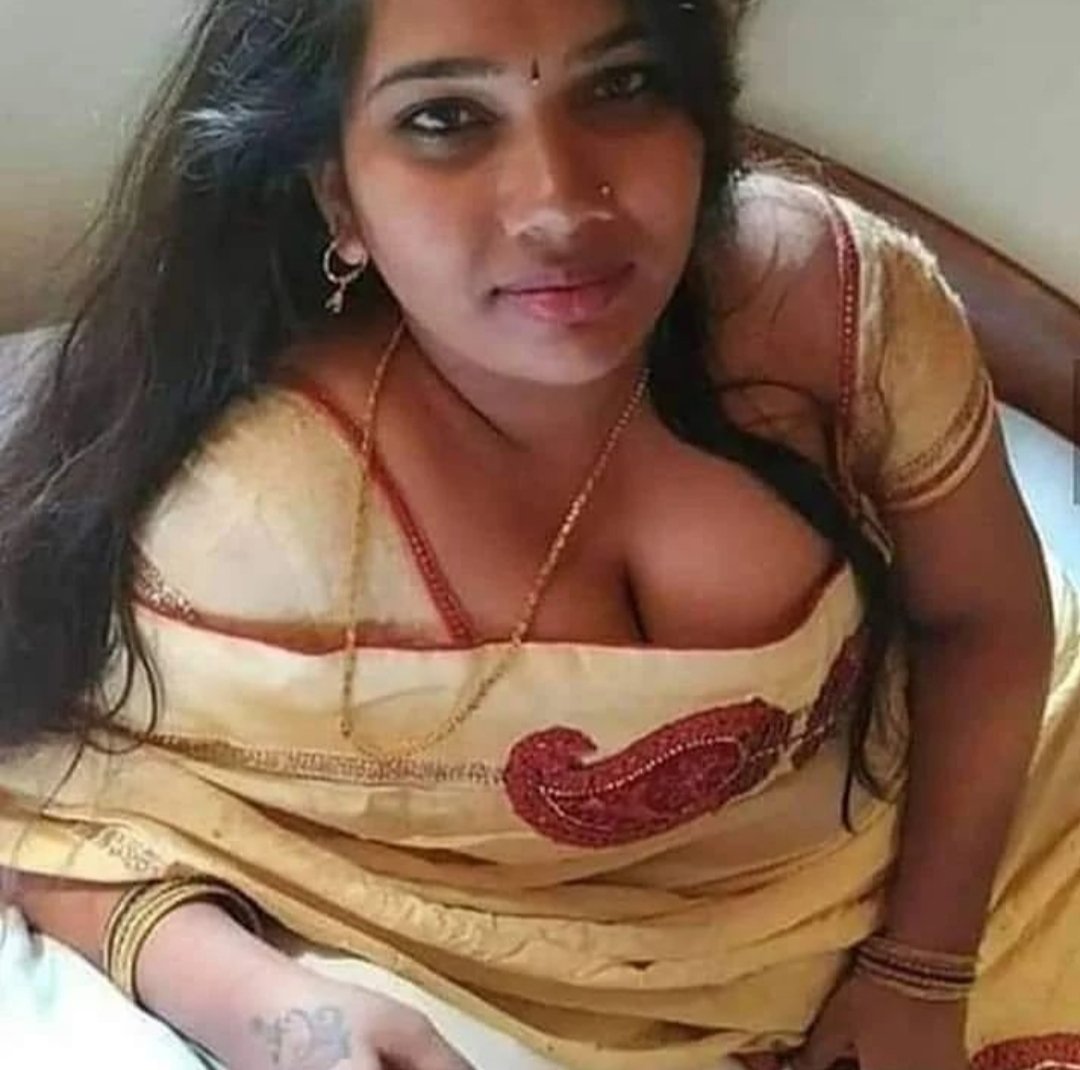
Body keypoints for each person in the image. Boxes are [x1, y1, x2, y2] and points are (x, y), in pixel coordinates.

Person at [0, 0, 1078, 1068]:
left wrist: (920, 970)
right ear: (339, 194)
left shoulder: (837, 310)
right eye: (445, 119)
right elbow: (46, 807)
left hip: (961, 862)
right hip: (513, 983)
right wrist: (267, 1009)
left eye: (621, 86)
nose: (559, 203)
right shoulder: (247, 521)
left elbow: (985, 619)